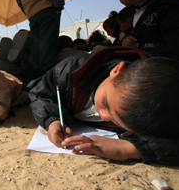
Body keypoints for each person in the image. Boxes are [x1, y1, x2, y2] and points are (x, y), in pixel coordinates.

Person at [29, 46, 179, 165]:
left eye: (116, 120)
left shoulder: (162, 109)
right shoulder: (69, 71)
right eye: (105, 103)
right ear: (116, 70)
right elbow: (39, 95)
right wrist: (52, 120)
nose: (104, 116)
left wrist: (129, 148)